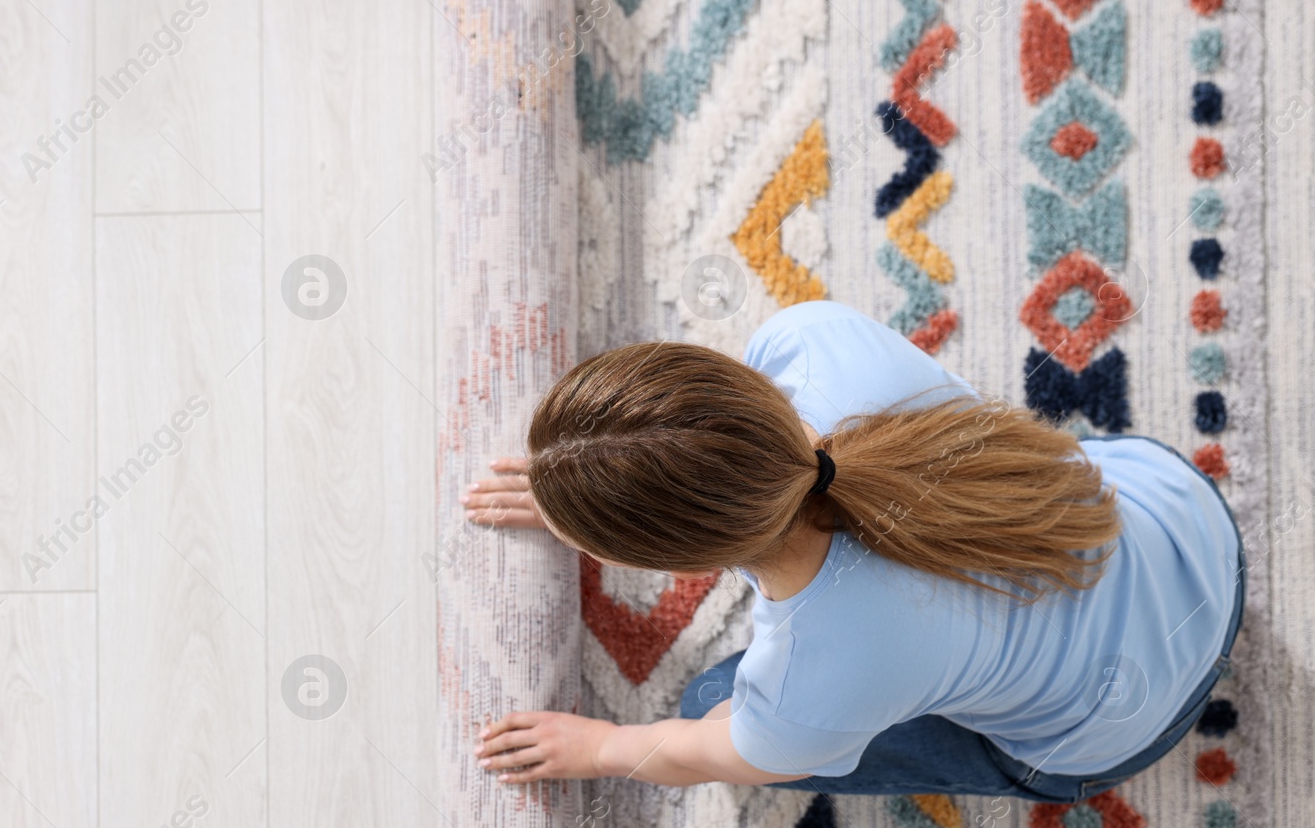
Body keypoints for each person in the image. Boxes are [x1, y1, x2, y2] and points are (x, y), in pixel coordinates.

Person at [460, 301, 1244, 801]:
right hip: (1192, 529)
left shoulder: (815, 675)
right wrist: (591, 474)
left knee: (710, 713)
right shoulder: (810, 341)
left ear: (677, 561)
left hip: (1124, 726)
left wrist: (602, 746)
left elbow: (709, 749)